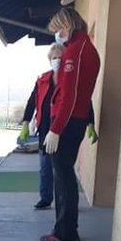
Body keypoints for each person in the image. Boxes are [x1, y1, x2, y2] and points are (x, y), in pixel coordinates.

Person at [41, 7, 100, 241]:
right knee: (63, 174)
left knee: (63, 175)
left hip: (68, 121)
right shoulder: (82, 48)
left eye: (59, 30)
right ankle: (64, 228)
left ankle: (65, 231)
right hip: (72, 119)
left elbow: (71, 95)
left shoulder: (76, 51)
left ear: (68, 25)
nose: (58, 35)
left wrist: (56, 128)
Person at [19, 44, 98, 210]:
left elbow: (84, 101)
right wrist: (26, 122)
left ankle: (66, 203)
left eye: (60, 57)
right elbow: (32, 101)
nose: (57, 60)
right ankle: (45, 198)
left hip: (65, 128)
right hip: (46, 128)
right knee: (46, 167)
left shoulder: (72, 78)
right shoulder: (43, 79)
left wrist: (91, 122)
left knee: (63, 169)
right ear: (50, 60)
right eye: (54, 58)